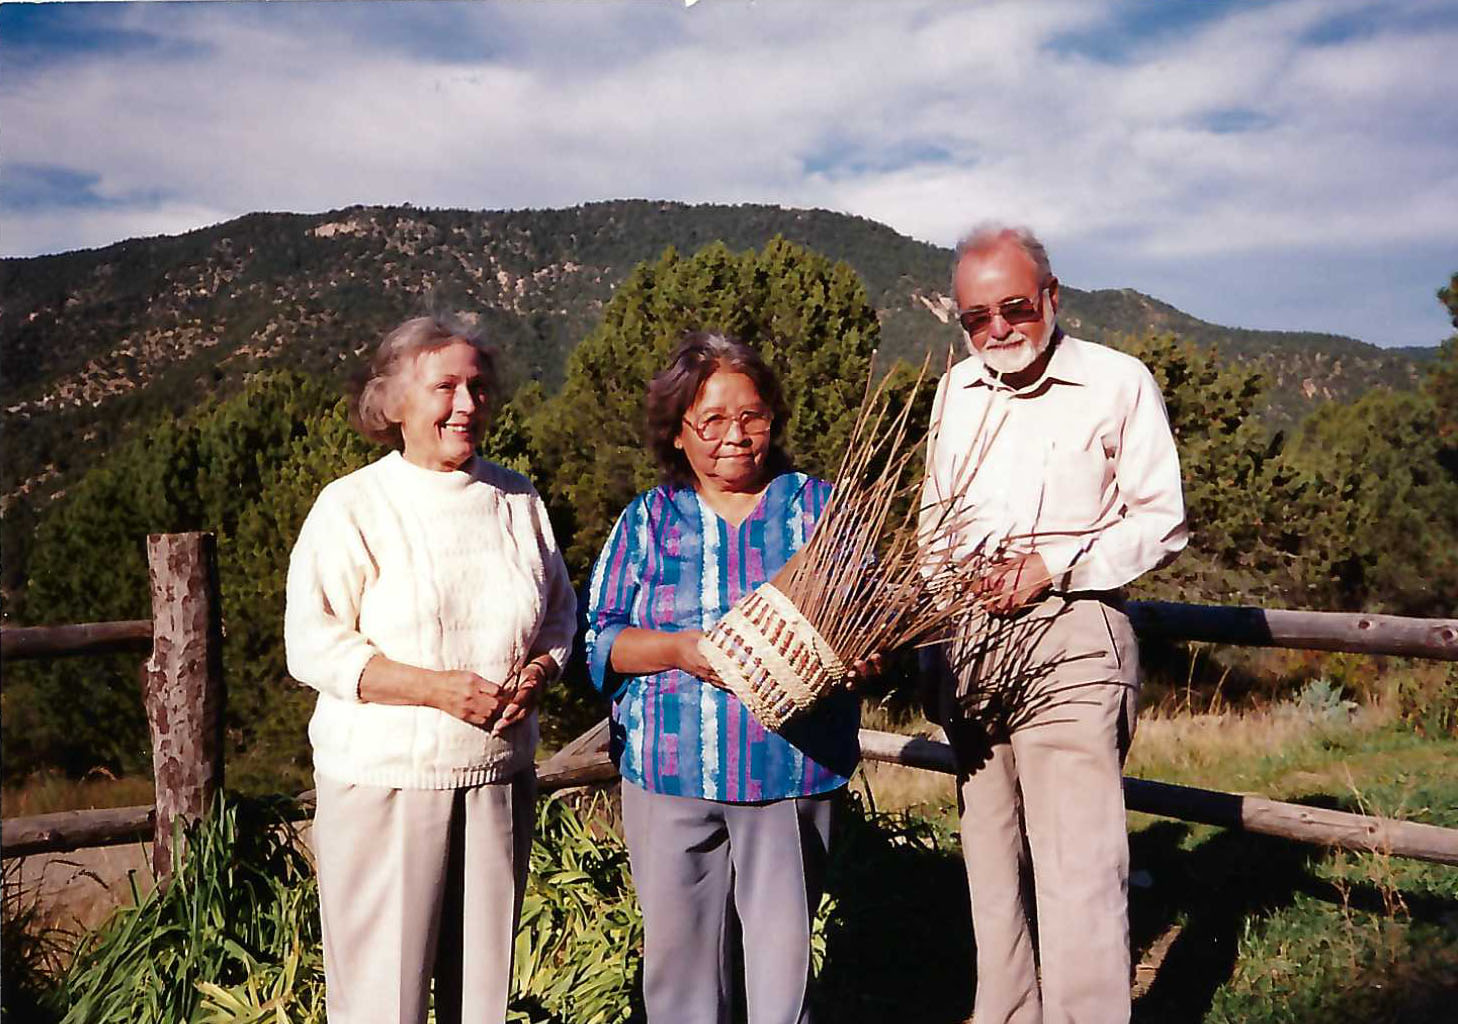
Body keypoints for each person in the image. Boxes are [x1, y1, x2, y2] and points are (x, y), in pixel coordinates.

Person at [921, 225, 1187, 1024]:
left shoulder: (1117, 381)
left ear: (1051, 296)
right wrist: (940, 616)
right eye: (977, 317)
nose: (998, 328)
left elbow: (1162, 520)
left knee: (1079, 869)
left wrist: (1053, 566)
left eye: (1014, 307)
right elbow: (936, 518)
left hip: (1073, 631)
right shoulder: (956, 392)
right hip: (969, 639)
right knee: (991, 859)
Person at [284, 314, 576, 1024]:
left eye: (477, 387)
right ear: (392, 404)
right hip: (388, 787)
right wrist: (434, 689)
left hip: (498, 780)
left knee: (480, 999)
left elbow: (560, 615)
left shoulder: (517, 499)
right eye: (446, 387)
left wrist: (539, 673)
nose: (467, 405)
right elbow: (312, 644)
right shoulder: (353, 506)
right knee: (385, 999)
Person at [584, 331, 861, 1024]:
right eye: (711, 420)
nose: (734, 436)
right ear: (677, 433)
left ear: (774, 419)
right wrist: (679, 651)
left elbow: (869, 623)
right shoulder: (647, 522)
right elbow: (600, 638)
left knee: (782, 975)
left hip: (790, 776)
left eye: (752, 416)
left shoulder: (819, 512)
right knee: (680, 978)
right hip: (670, 775)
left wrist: (861, 659)